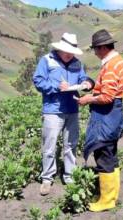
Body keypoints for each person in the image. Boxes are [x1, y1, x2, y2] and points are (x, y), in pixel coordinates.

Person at [33, 33, 94, 196]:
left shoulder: (77, 63)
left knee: (71, 145)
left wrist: (87, 83)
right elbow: (38, 81)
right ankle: (47, 178)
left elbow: (82, 79)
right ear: (59, 49)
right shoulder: (47, 60)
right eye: (67, 51)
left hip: (72, 109)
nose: (70, 55)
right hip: (52, 110)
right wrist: (56, 86)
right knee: (49, 145)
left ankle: (69, 176)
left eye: (72, 52)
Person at [78, 29, 123, 212]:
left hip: (106, 115)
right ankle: (112, 196)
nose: (95, 52)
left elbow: (107, 97)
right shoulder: (119, 62)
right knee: (111, 155)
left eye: (96, 49)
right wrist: (94, 93)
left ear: (103, 47)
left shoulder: (110, 66)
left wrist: (88, 99)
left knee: (103, 154)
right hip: (114, 114)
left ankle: (106, 200)